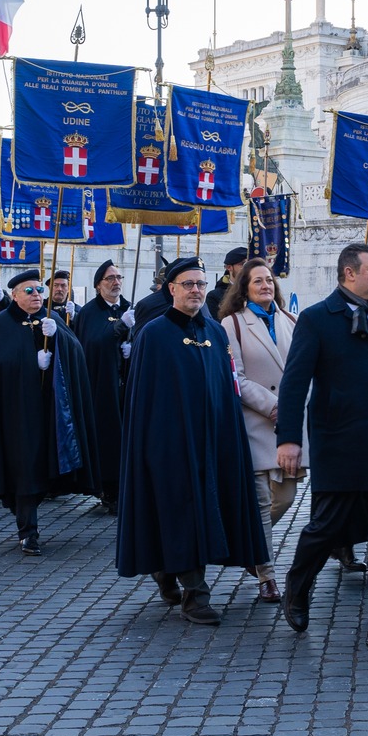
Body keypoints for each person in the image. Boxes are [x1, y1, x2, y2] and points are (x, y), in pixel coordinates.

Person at [275, 243, 368, 653]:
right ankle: (297, 584)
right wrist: (289, 439)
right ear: (348, 274)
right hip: (340, 443)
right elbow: (294, 383)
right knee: (325, 528)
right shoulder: (317, 319)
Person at [116, 256, 271, 624]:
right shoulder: (153, 335)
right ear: (171, 289)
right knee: (180, 510)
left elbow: (226, 386)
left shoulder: (216, 332)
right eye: (188, 284)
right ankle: (195, 595)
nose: (196, 290)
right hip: (170, 443)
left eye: (201, 284)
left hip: (214, 440)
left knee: (204, 510)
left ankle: (167, 570)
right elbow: (142, 399)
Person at [0, 268, 95, 555]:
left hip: (49, 411)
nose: (37, 295)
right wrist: (33, 363)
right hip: (17, 412)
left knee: (43, 465)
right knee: (24, 468)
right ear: (15, 295)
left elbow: (77, 355)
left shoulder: (51, 319)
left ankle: (29, 512)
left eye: (39, 290)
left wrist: (58, 340)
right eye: (29, 291)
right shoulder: (1, 323)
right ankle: (28, 530)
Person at [220, 257, 297, 601]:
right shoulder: (232, 324)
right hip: (255, 421)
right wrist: (272, 405)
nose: (266, 285)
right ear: (244, 288)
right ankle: (267, 576)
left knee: (286, 497)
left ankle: (248, 546)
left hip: (289, 426)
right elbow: (237, 377)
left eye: (269, 280)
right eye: (258, 281)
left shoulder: (290, 320)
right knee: (261, 500)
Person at [73, 259, 130, 512]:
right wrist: (120, 328)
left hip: (126, 384)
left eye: (119, 278)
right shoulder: (89, 312)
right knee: (107, 438)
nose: (116, 283)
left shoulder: (129, 308)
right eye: (110, 279)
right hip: (102, 385)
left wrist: (133, 346)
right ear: (98, 286)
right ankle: (109, 489)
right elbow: (93, 343)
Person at [205, 247, 248, 320]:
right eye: (243, 264)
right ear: (229, 267)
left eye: (249, 264)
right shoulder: (214, 296)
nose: (247, 268)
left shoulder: (255, 292)